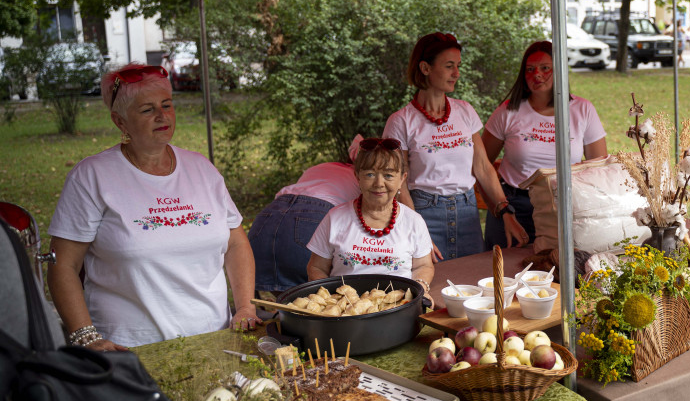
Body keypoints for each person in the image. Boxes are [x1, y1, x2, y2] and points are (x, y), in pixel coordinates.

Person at [47, 64, 259, 350]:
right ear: (120, 121)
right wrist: (86, 337)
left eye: (167, 105)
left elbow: (235, 243)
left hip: (215, 339)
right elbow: (63, 264)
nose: (162, 116)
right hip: (130, 349)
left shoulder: (202, 169)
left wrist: (245, 307)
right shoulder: (92, 176)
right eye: (147, 109)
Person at [384, 32, 527, 261]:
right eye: (449, 66)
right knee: (432, 286)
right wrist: (415, 231)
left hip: (467, 215)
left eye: (458, 66)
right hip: (424, 215)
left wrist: (505, 211)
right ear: (425, 68)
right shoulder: (400, 121)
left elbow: (483, 168)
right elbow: (398, 183)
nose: (457, 74)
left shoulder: (464, 111)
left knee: (473, 285)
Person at [482, 41, 608, 249]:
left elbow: (598, 168)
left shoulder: (582, 109)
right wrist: (501, 209)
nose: (536, 74)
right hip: (514, 207)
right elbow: (480, 164)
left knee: (559, 275)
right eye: (530, 69)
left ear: (559, 70)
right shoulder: (508, 111)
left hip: (566, 206)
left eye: (545, 68)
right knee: (504, 277)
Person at [307, 138, 434, 298]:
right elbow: (316, 268)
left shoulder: (414, 221)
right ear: (357, 176)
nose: (379, 183)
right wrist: (330, 298)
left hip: (397, 306)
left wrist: (420, 288)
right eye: (370, 174)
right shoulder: (335, 218)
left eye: (388, 175)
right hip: (346, 310)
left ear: (402, 178)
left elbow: (423, 266)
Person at [248, 156, 360, 295]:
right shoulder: (360, 176)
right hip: (312, 217)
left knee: (287, 299)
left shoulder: (320, 167)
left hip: (268, 217)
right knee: (318, 300)